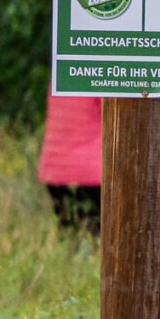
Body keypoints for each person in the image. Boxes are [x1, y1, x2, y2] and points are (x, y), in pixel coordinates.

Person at [41, 93, 102, 232]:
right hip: (89, 171)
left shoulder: (61, 77)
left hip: (54, 168)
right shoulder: (100, 79)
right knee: (96, 233)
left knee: (69, 232)